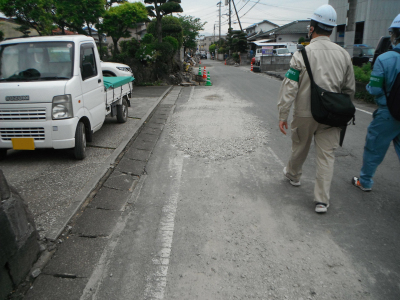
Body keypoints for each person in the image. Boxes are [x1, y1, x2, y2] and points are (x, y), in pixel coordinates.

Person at [277, 4, 355, 213]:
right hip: (332, 114)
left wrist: (283, 114)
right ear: (331, 29)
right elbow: (349, 89)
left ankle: (293, 176)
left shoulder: (302, 54)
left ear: (312, 27)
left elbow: (289, 87)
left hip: (305, 113)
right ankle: (321, 200)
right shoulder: (343, 55)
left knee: (300, 146)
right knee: (326, 155)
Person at [352, 14, 400, 192]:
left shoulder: (385, 59)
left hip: (387, 114)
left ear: (394, 34)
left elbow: (375, 89)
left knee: (374, 148)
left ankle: (364, 182)